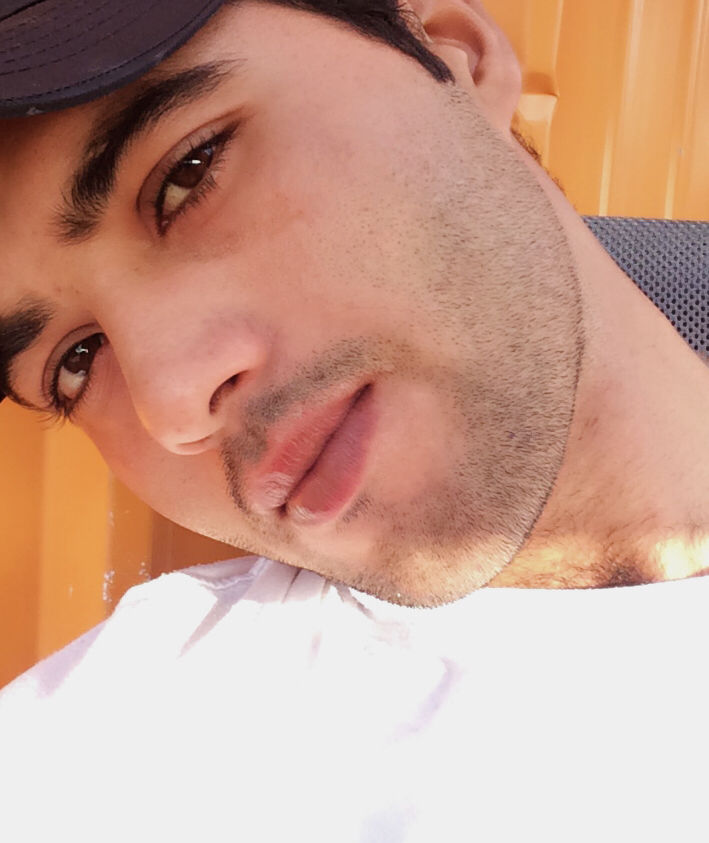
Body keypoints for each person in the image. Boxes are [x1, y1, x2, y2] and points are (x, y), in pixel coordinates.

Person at [0, 1, 707, 840]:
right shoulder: (99, 767)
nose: (172, 402)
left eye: (188, 172)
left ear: (451, 52)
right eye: (76, 361)